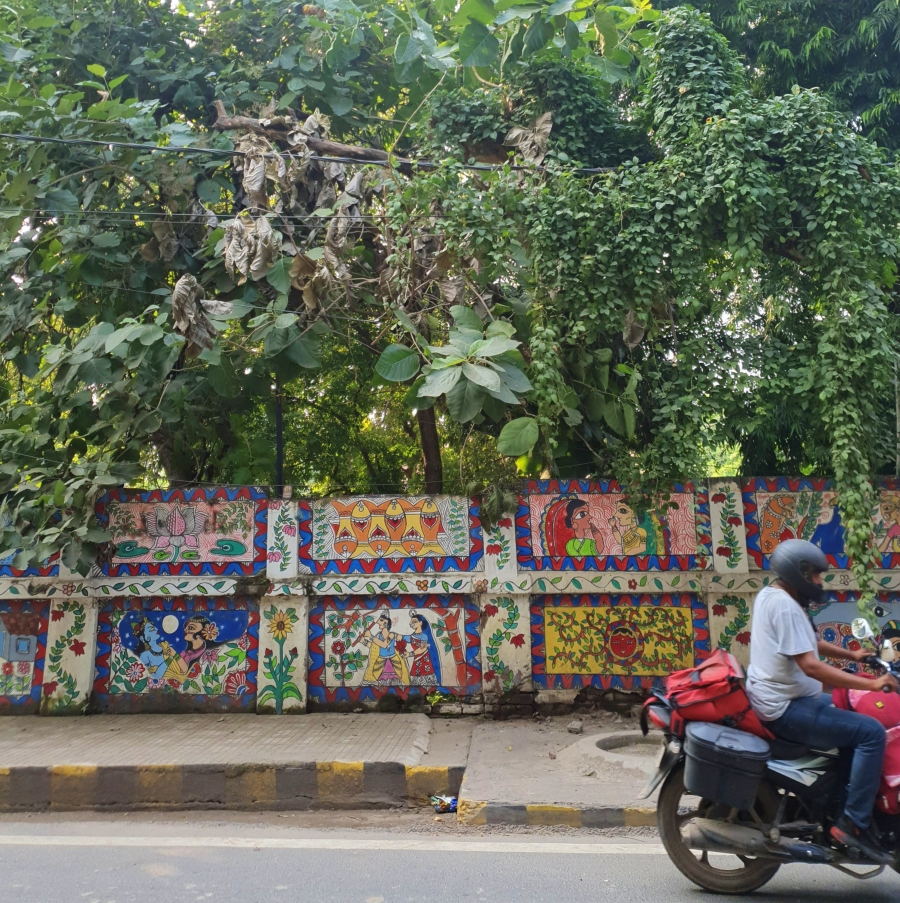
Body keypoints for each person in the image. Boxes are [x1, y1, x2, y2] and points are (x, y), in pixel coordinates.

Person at [746, 539, 898, 864]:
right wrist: (874, 685)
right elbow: (811, 666)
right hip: (786, 709)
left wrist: (852, 654)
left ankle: (841, 802)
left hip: (785, 700)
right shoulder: (785, 606)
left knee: (851, 720)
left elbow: (809, 643)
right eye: (816, 575)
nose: (819, 582)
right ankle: (852, 825)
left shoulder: (774, 596)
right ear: (799, 573)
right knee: (871, 733)